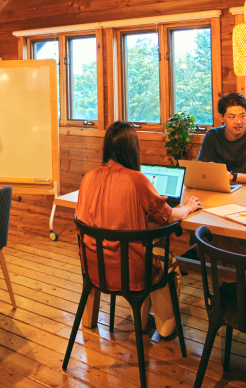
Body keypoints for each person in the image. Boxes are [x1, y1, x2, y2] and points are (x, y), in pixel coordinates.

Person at [76, 121, 203, 339]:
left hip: (94, 268)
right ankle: (165, 329)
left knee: (141, 251)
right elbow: (169, 217)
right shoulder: (137, 180)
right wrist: (189, 207)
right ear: (132, 149)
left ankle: (140, 322)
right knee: (167, 261)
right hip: (130, 273)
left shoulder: (87, 178)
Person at [197, 93, 246, 184]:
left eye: (242, 116)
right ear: (221, 117)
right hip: (227, 187)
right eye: (232, 117)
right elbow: (199, 168)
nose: (238, 122)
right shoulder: (212, 135)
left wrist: (232, 176)